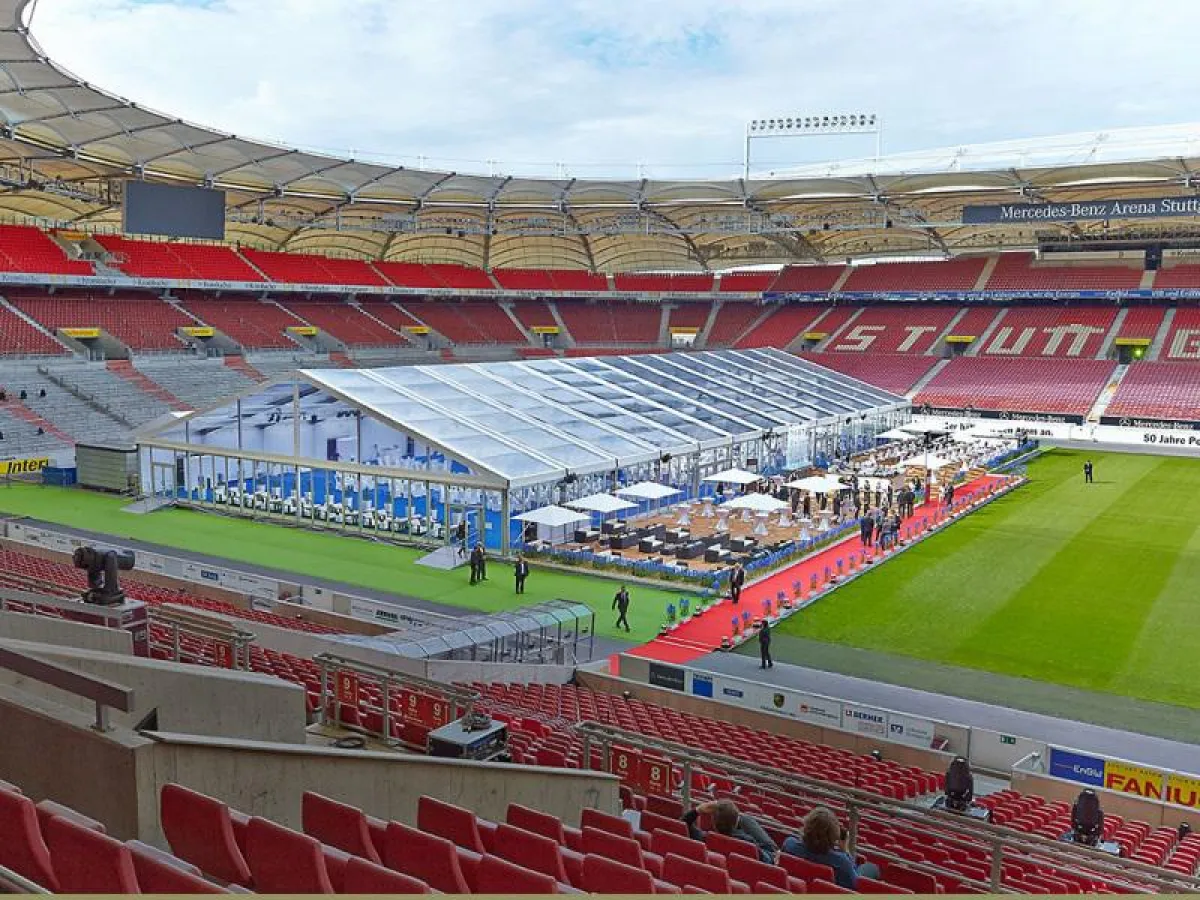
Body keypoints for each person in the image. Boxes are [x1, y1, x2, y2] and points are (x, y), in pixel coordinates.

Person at [781, 806, 880, 890]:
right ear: (834, 836)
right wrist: (845, 851)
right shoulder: (841, 861)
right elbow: (854, 885)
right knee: (872, 867)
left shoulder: (789, 844)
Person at [682, 800, 777, 864]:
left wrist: (698, 810)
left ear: (714, 823)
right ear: (736, 823)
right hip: (767, 856)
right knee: (791, 841)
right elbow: (769, 860)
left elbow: (684, 823)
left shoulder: (705, 839)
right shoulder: (748, 843)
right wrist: (774, 856)